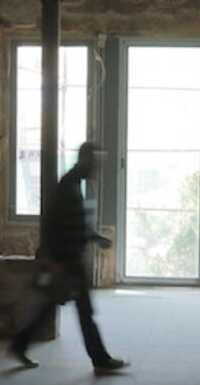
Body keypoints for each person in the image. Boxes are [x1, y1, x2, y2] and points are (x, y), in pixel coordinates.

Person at [9, 142, 128, 371]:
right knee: (82, 312)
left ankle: (20, 344)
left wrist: (96, 238)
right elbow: (53, 225)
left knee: (56, 307)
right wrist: (55, 261)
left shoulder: (73, 185)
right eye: (95, 161)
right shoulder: (68, 186)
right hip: (67, 262)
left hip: (70, 260)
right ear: (85, 159)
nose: (97, 167)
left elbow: (76, 224)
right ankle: (100, 360)